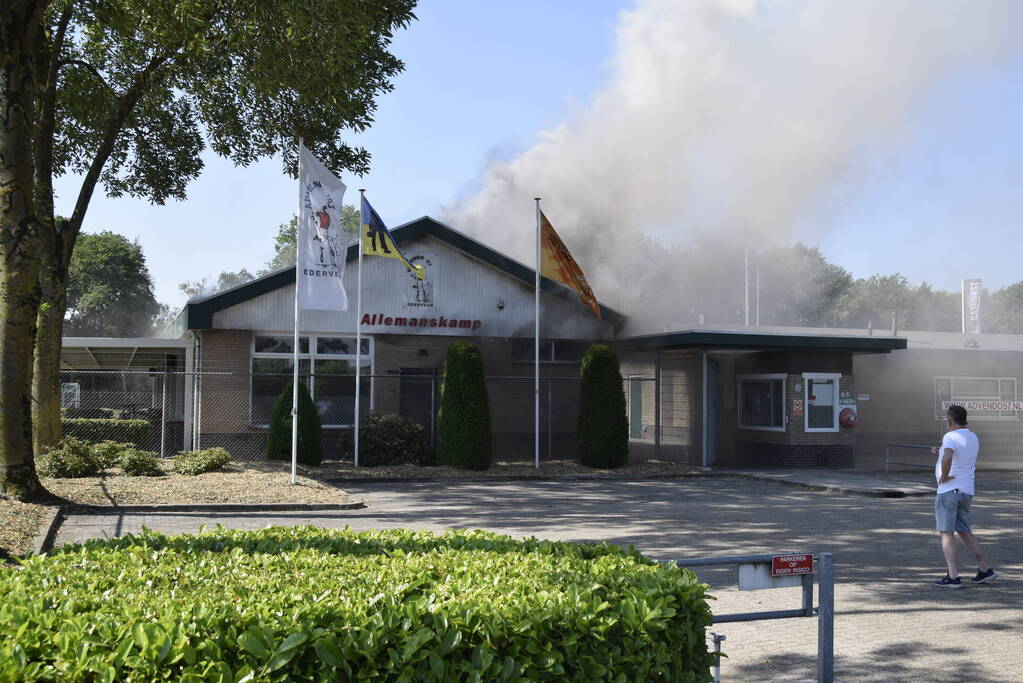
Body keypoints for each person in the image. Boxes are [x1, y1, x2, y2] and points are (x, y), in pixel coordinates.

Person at [930, 404, 996, 588]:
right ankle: (984, 569)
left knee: (946, 533)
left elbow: (949, 457)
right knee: (965, 532)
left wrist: (943, 476)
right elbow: (957, 454)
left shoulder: (949, 436)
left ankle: (953, 576)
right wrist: (941, 451)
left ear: (950, 420)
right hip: (967, 490)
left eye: (946, 419)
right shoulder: (972, 436)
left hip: (949, 491)